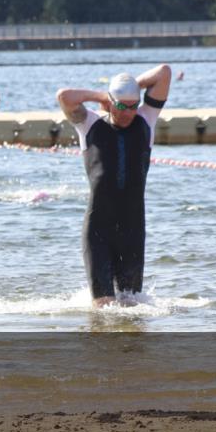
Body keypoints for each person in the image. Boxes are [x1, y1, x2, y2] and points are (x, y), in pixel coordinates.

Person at [56, 65, 172, 307]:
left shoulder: (146, 120)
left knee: (132, 308)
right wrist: (102, 96)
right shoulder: (89, 124)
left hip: (133, 228)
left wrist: (131, 87)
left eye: (133, 105)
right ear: (111, 103)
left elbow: (164, 72)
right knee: (104, 307)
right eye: (121, 106)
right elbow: (64, 97)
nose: (129, 112)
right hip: (98, 229)